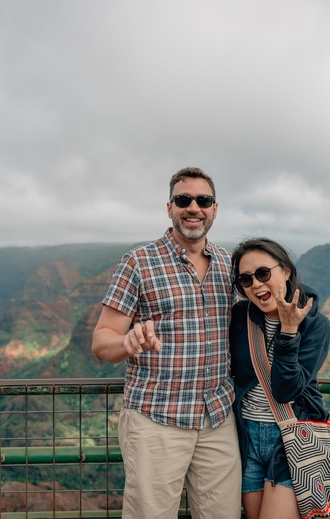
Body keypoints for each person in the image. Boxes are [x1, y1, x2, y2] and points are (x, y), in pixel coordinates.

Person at [91, 167, 241, 519]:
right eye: (183, 199)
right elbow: (101, 341)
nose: (193, 207)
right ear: (169, 207)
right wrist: (128, 342)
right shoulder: (138, 262)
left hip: (217, 416)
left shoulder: (227, 265)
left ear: (215, 209)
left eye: (203, 200)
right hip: (156, 418)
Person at [229, 237, 330, 519]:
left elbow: (287, 390)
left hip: (290, 438)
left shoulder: (314, 325)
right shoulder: (241, 317)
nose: (257, 285)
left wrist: (288, 334)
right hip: (247, 436)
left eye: (263, 273)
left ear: (286, 271)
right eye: (246, 280)